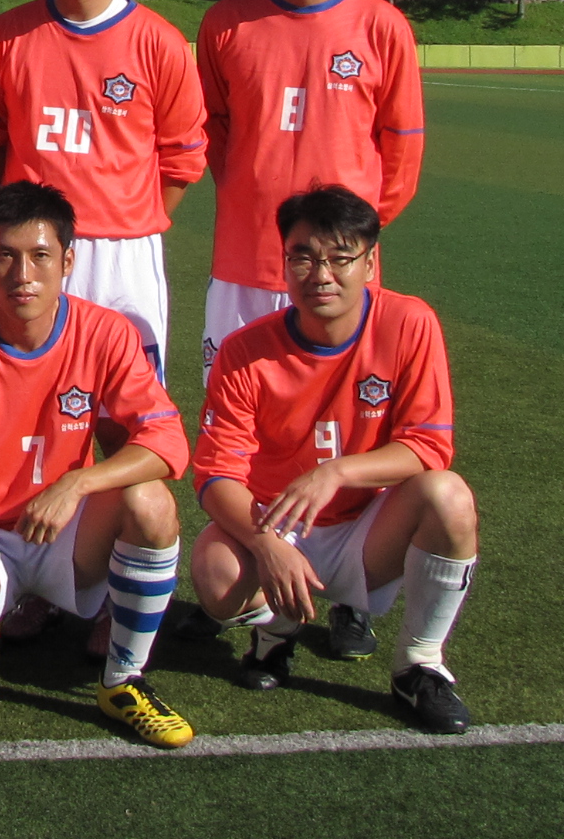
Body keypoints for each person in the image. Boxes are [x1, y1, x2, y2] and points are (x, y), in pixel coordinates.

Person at [0, 181, 195, 748]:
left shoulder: (106, 332)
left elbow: (167, 442)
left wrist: (79, 482)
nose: (22, 274)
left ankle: (123, 679)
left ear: (68, 262)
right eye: (6, 256)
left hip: (67, 531)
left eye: (40, 256)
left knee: (152, 503)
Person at [189, 185, 480, 734]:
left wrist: (337, 471)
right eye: (303, 256)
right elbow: (215, 474)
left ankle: (419, 664)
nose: (321, 274)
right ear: (284, 263)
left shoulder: (409, 323)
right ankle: (275, 634)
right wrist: (266, 544)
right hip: (277, 522)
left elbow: (429, 445)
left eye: (340, 258)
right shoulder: (244, 350)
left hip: (368, 529)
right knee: (214, 571)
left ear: (369, 262)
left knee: (449, 496)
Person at [194, 0, 424, 377]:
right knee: (233, 408)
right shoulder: (226, 24)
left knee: (338, 410)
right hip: (245, 262)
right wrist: (250, 193)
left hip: (341, 268)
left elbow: (402, 149)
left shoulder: (382, 27)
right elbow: (213, 131)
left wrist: (350, 233)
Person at [0, 0, 205, 374]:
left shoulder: (160, 43)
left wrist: (128, 217)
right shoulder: (4, 39)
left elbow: (182, 160)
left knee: (130, 400)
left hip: (125, 256)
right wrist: (26, 213)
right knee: (31, 393)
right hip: (35, 247)